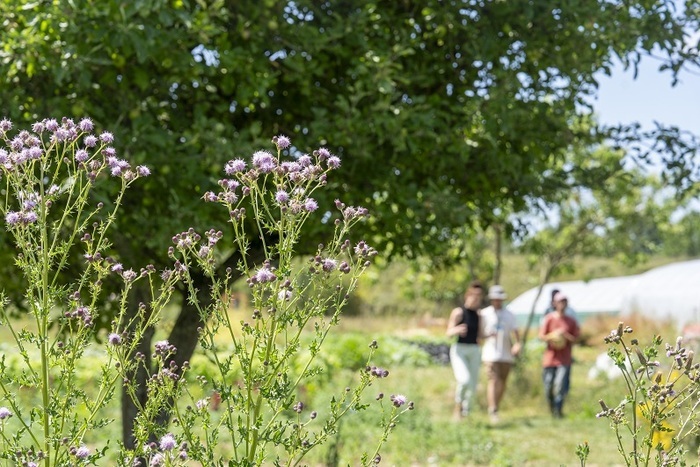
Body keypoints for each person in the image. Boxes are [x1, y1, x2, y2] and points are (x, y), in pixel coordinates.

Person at [480, 284, 521, 423]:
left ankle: (496, 405)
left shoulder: (509, 314)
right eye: (495, 299)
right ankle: (493, 410)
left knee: (502, 382)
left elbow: (515, 332)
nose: (497, 301)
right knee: (493, 380)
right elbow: (479, 333)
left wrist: (517, 344)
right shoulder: (484, 314)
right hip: (490, 353)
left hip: (506, 354)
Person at [446, 280, 484, 419]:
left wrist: (490, 335)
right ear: (468, 295)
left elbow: (480, 335)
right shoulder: (458, 312)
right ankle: (458, 406)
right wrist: (456, 329)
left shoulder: (479, 315)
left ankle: (466, 413)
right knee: (464, 380)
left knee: (473, 385)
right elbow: (448, 332)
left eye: (479, 296)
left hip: (474, 350)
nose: (477, 298)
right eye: (474, 295)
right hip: (459, 349)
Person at [539, 291, 580, 418]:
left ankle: (558, 410)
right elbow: (541, 336)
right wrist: (553, 336)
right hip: (550, 358)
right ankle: (552, 408)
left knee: (560, 385)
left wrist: (565, 336)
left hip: (564, 359)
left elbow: (576, 339)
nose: (562, 304)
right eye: (560, 302)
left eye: (564, 301)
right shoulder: (549, 319)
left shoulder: (571, 321)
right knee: (548, 385)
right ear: (555, 303)